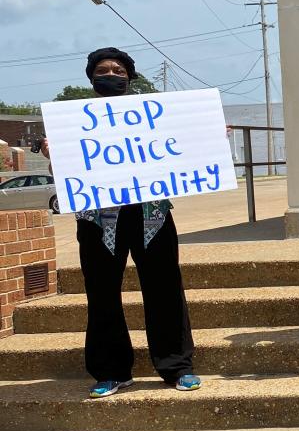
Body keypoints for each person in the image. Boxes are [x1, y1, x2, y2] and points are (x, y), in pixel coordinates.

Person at [44, 48, 200, 398]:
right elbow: (64, 174)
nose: (111, 74)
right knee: (102, 294)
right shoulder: (74, 121)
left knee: (163, 288)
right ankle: (111, 371)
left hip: (151, 215)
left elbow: (182, 151)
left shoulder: (153, 117)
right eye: (103, 69)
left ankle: (176, 366)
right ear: (92, 77)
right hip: (99, 219)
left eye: (118, 69)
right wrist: (57, 155)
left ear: (129, 76)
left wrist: (207, 141)